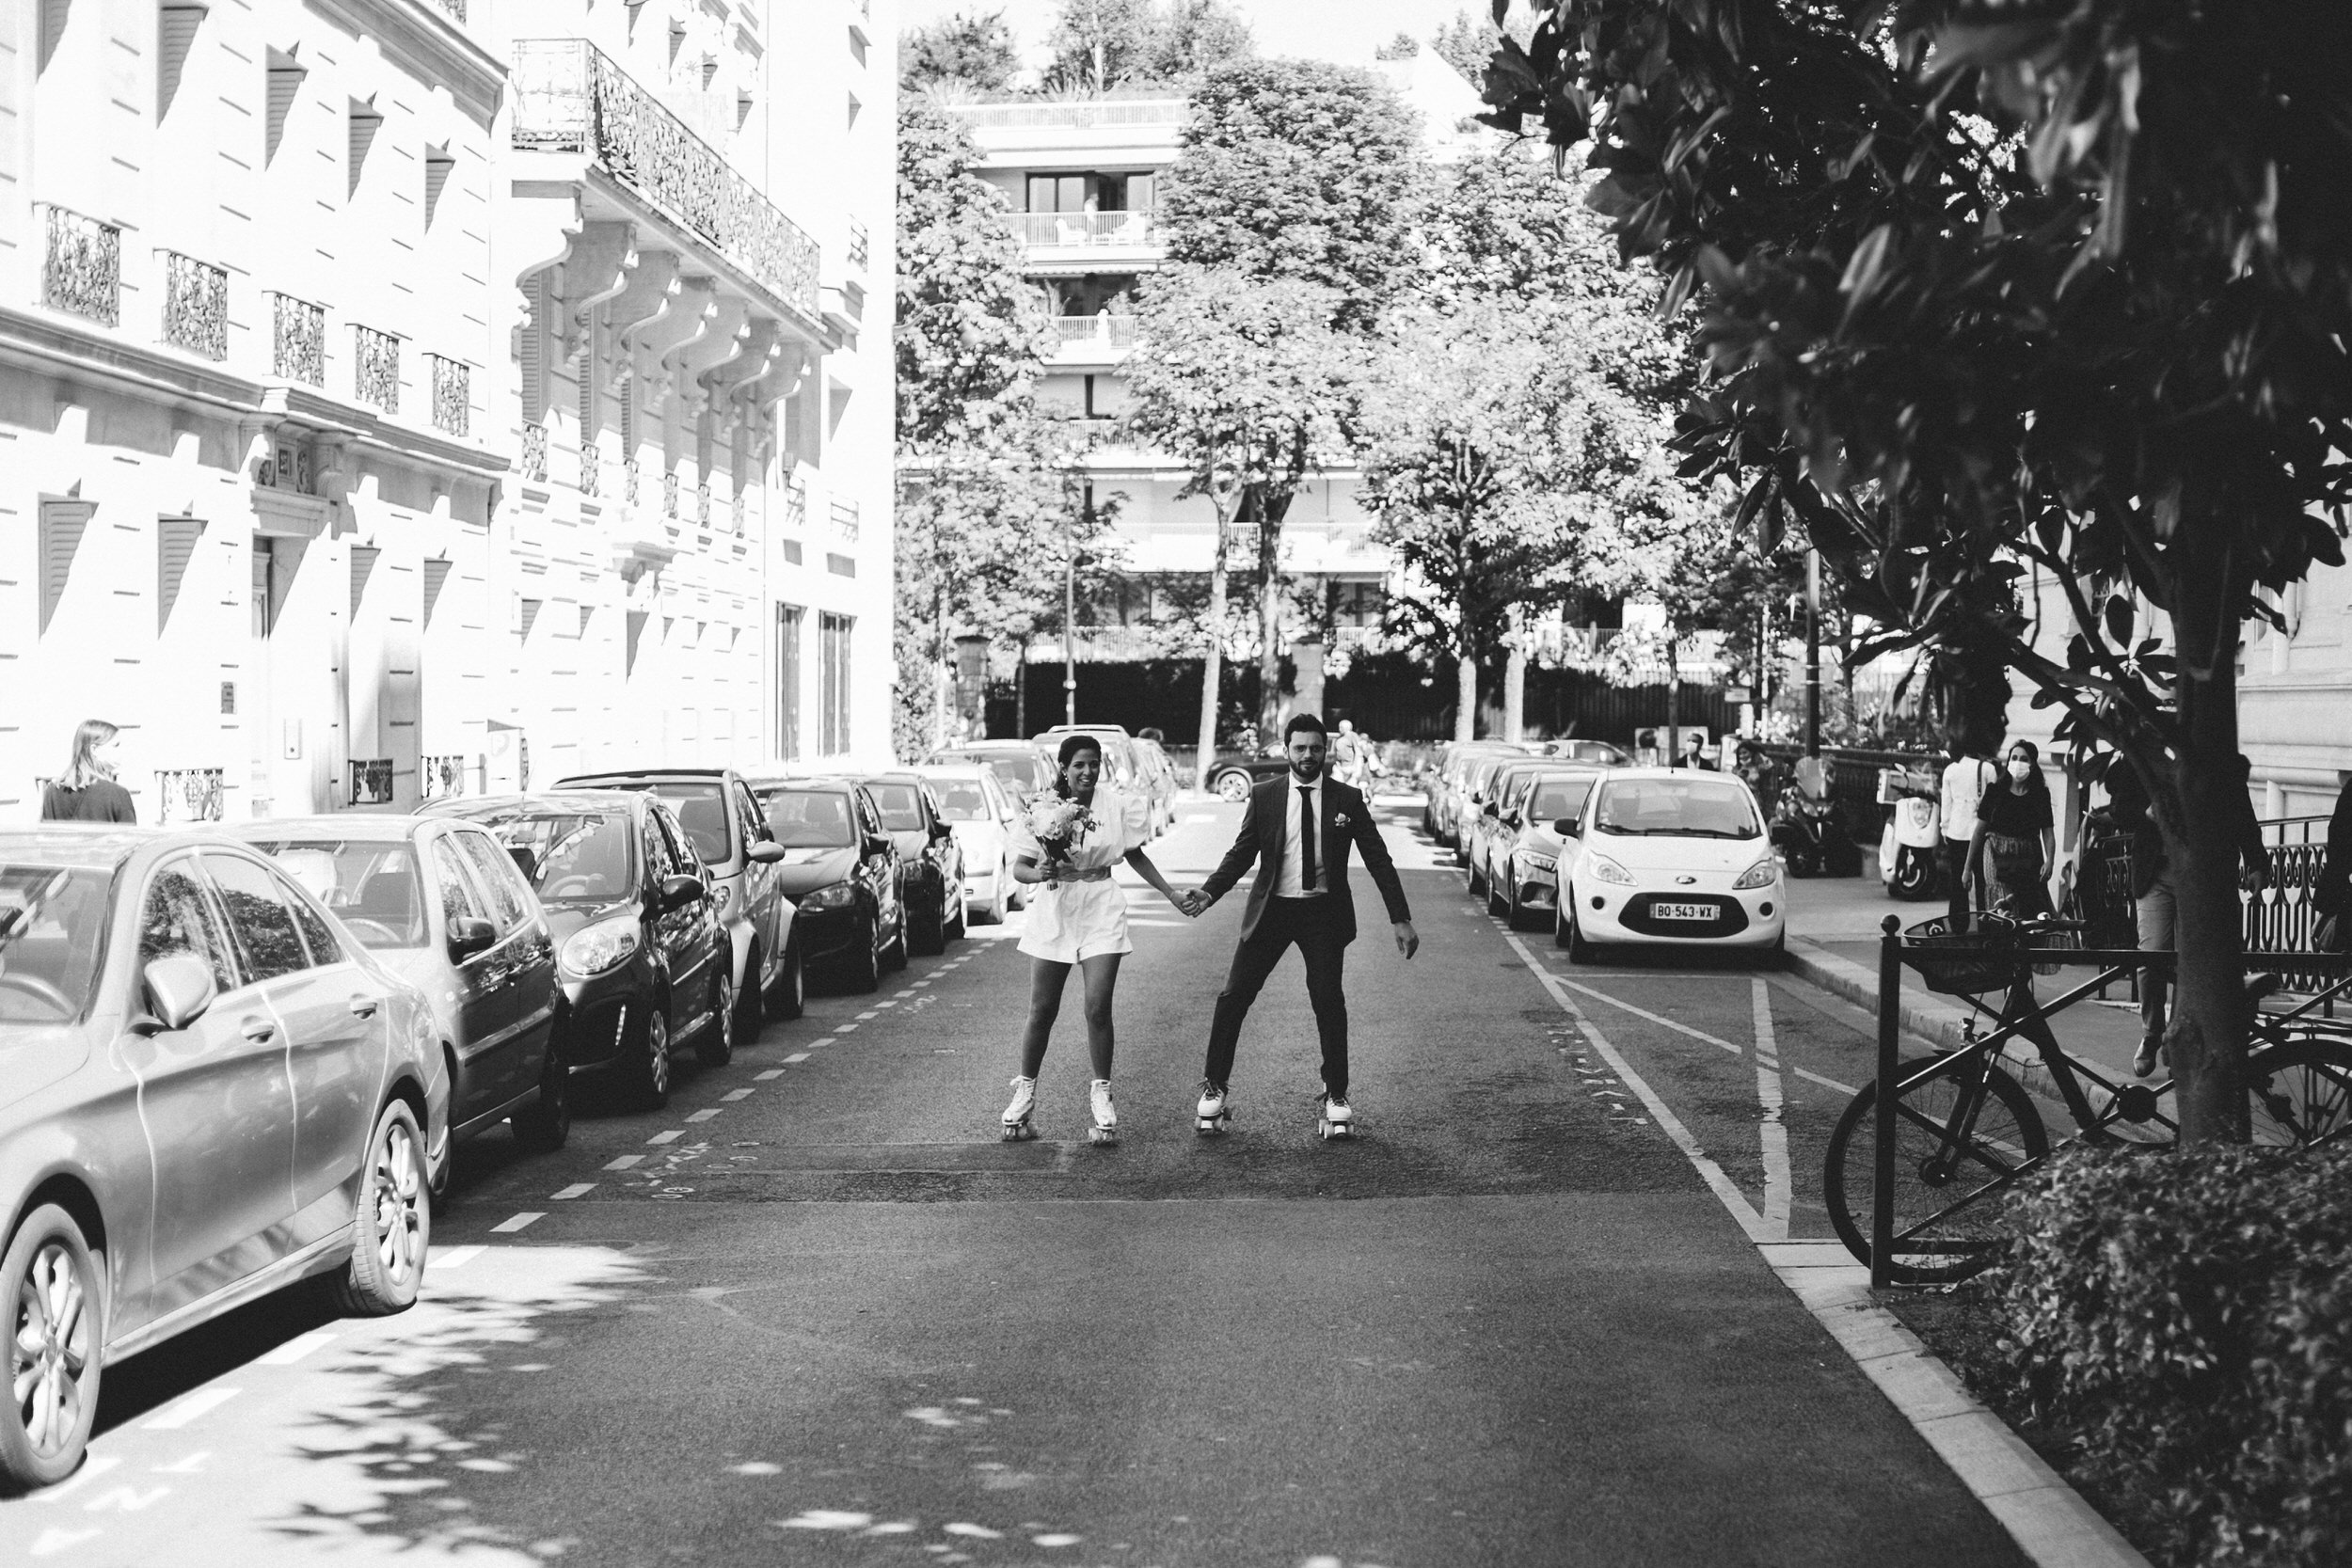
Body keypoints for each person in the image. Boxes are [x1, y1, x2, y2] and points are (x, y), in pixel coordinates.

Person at [1188, 713, 1418, 1138]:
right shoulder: (1266, 795)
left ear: (1325, 751)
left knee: (1328, 1001)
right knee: (1234, 996)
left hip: (1323, 914)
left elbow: (1378, 858)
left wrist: (1399, 917)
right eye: (1300, 748)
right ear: (1286, 750)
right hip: (1272, 910)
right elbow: (1242, 853)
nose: (1308, 755)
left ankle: (1336, 1094)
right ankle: (1215, 1086)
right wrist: (1209, 892)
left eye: (1315, 748)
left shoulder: (1347, 799)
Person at [999, 734, 1194, 1145]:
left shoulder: (1117, 805)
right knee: (1042, 1009)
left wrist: (1171, 894)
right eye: (1079, 765)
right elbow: (1021, 868)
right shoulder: (1044, 807)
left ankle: (1102, 1094)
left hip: (1101, 905)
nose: (1088, 772)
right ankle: (1025, 1092)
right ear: (1064, 769)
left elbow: (1135, 854)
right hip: (1055, 907)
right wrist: (1041, 873)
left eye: (1094, 764)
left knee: (1097, 1006)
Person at [2110, 754, 2273, 1077]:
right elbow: (2119, 810)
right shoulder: (2144, 751)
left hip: (2201, 876)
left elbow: (2241, 813)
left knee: (2191, 961)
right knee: (2152, 955)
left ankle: (2176, 1041)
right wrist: (2145, 813)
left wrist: (2256, 862)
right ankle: (2152, 1033)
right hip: (2155, 872)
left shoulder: (2209, 750)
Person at [1967, 738, 2056, 923]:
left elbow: (2047, 831)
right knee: (2002, 905)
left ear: (2032, 764)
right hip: (1996, 852)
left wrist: (2050, 861)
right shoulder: (1995, 791)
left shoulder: (2040, 794)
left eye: (2024, 759)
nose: (2018, 763)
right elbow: (1979, 831)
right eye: (2014, 758)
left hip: (2028, 856)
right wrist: (1967, 867)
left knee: (2028, 905)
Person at [1938, 731, 2000, 931]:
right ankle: (1984, 924)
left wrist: (1945, 829)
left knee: (1958, 882)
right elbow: (1994, 804)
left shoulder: (1951, 771)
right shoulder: (1988, 769)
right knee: (1983, 882)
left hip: (1956, 832)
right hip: (1980, 834)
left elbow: (1946, 804)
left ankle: (1958, 925)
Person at [40, 720, 135, 824]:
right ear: (94, 750)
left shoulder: (52, 792)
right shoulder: (116, 794)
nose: (122, 751)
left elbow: (45, 832)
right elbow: (129, 834)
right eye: (116, 745)